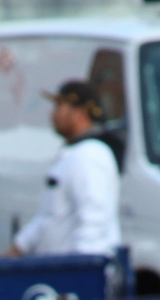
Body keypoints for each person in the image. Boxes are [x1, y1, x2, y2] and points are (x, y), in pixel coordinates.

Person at [11, 80, 121, 258]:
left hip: (75, 276)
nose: (53, 114)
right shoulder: (73, 154)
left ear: (80, 113)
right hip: (60, 272)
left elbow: (93, 222)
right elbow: (48, 218)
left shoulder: (90, 155)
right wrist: (18, 248)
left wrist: (82, 272)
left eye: (59, 107)